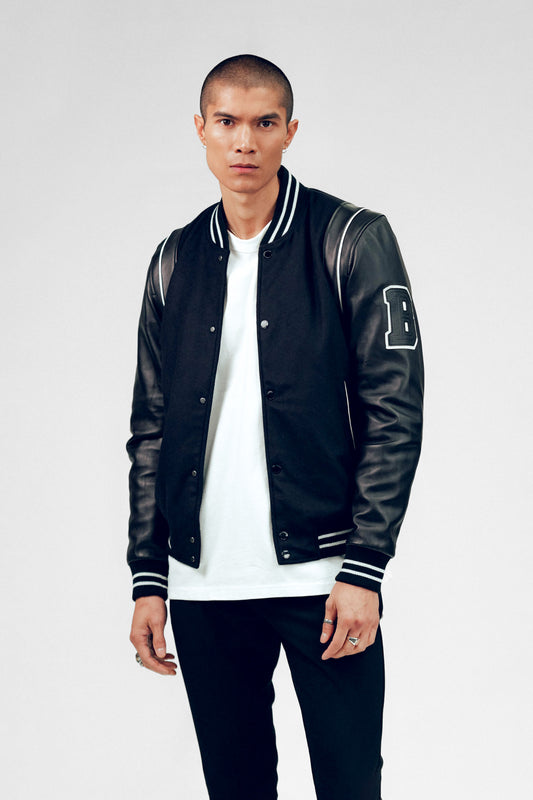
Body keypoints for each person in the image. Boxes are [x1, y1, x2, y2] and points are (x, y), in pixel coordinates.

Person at [127, 54, 423, 800]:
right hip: (203, 584)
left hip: (324, 576)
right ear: (200, 129)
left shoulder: (351, 238)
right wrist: (149, 575)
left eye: (264, 123)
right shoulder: (174, 260)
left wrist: (364, 565)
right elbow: (152, 428)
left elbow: (394, 408)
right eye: (227, 122)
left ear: (290, 132)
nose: (244, 142)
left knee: (349, 785)